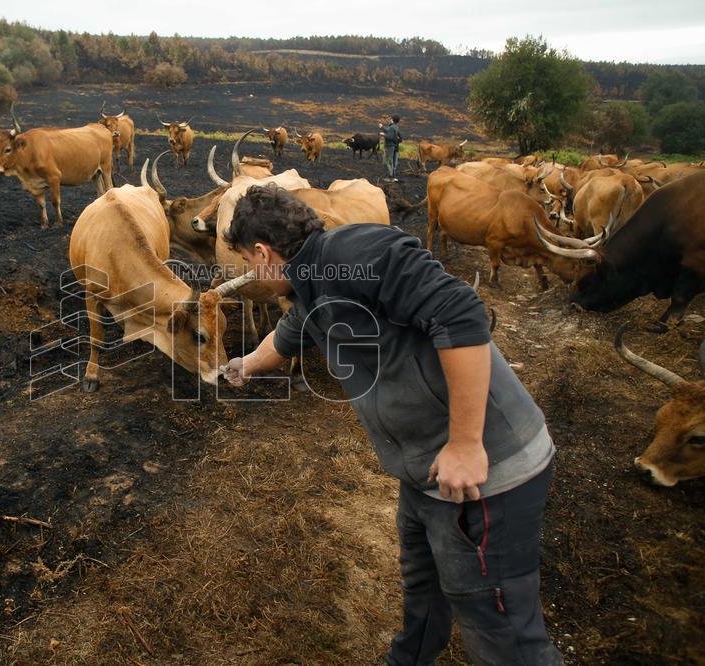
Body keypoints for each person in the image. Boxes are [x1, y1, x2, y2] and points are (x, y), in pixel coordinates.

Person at [223, 183, 563, 666]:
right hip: (426, 474)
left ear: (263, 251)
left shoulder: (359, 251)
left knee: (497, 622)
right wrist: (246, 364)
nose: (249, 274)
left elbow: (461, 312)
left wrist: (466, 444)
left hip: (487, 475)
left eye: (247, 263)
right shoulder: (312, 281)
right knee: (424, 591)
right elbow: (292, 332)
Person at [380, 115, 403, 181]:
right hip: (395, 147)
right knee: (392, 163)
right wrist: (382, 127)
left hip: (391, 146)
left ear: (392, 119)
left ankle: (391, 177)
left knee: (389, 162)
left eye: (390, 119)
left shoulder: (392, 127)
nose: (389, 119)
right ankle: (392, 176)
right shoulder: (396, 127)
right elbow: (399, 138)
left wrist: (383, 134)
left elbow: (390, 136)